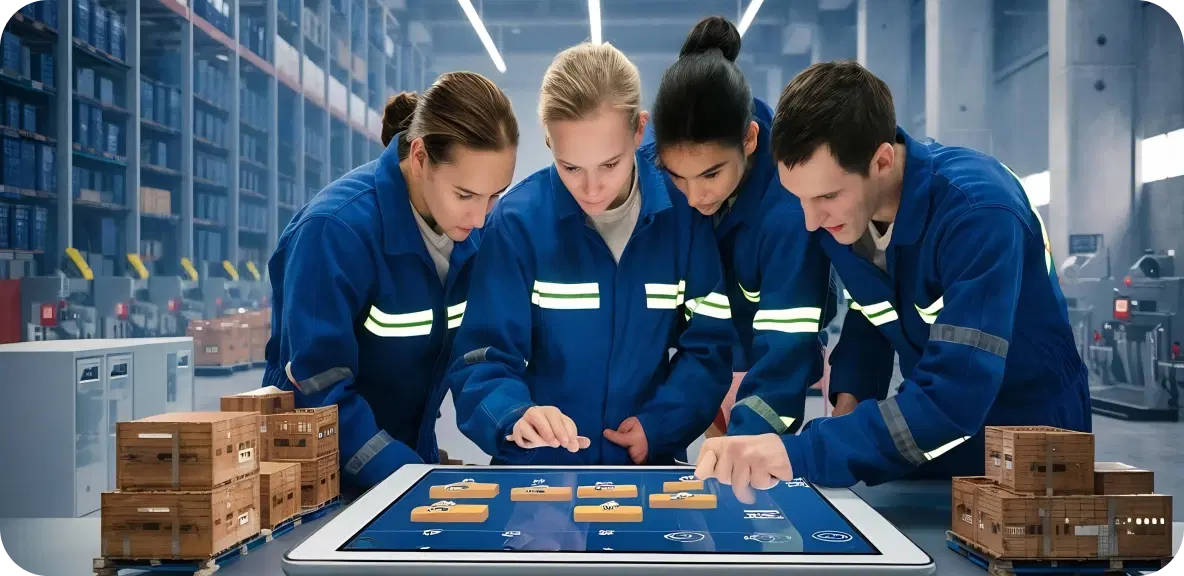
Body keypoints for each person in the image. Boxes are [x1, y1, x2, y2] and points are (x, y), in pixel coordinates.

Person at [694, 60, 1091, 500]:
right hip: (930, 438)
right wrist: (848, 405)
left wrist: (802, 452)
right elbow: (871, 315)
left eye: (826, 196)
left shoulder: (979, 214)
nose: (810, 221)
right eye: (799, 198)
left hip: (1029, 447)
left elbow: (955, 395)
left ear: (882, 160)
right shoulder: (844, 216)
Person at [446, 41, 736, 466]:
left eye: (610, 164)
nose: (592, 188)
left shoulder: (683, 217)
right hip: (539, 472)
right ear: (549, 141)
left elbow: (710, 346)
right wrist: (514, 415)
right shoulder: (516, 224)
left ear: (639, 130)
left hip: (644, 469)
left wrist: (661, 424)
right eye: (571, 168)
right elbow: (480, 357)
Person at [262, 72, 519, 493]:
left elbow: (474, 356)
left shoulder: (470, 239)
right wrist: (406, 476)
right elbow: (317, 389)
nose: (479, 218)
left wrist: (512, 418)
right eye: (465, 195)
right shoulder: (334, 232)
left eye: (495, 196)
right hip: (323, 486)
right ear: (419, 157)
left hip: (405, 470)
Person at [643, 16, 832, 438]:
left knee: (748, 461)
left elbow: (787, 349)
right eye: (678, 177)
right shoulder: (653, 177)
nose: (695, 197)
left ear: (749, 139)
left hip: (769, 369)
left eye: (711, 175)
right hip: (693, 366)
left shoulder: (790, 208)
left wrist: (747, 441)